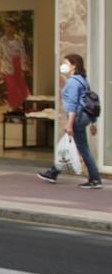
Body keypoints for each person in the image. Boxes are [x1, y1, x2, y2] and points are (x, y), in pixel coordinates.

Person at [39, 53, 100, 188]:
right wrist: (93, 122)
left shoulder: (72, 82)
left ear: (74, 66)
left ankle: (95, 179)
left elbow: (72, 105)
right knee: (68, 146)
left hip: (76, 118)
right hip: (84, 117)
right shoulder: (83, 80)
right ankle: (53, 172)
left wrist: (69, 124)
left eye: (66, 63)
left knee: (82, 149)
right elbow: (90, 102)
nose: (63, 66)